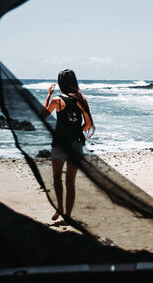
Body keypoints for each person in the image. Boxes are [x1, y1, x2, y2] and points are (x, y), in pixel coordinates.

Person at [41, 69, 94, 221]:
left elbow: (43, 114)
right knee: (70, 182)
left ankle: (59, 208)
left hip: (59, 145)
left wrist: (49, 94)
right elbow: (88, 124)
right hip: (76, 145)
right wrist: (76, 130)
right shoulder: (82, 101)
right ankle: (68, 215)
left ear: (61, 83)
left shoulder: (57, 100)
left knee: (57, 177)